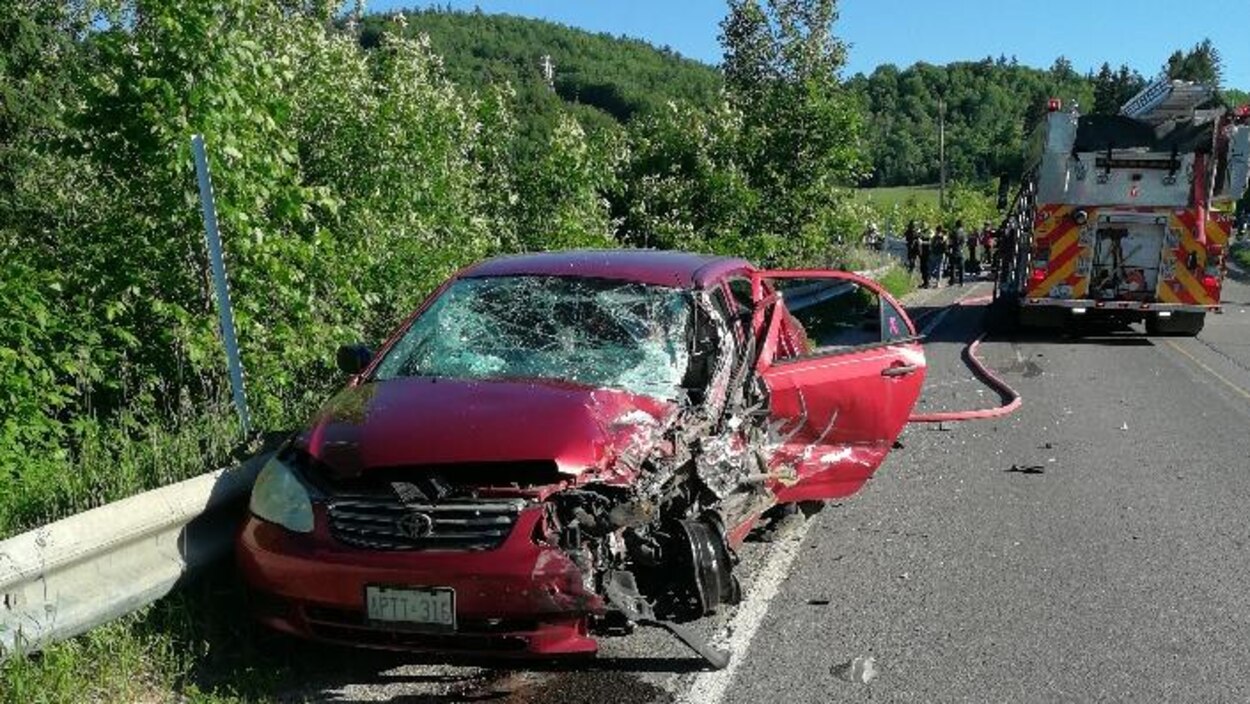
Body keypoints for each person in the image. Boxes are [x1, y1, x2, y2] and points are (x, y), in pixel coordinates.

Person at [949, 220, 966, 286]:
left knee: (953, 266)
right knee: (961, 267)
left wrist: (950, 248)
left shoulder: (953, 232)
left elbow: (950, 242)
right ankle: (961, 282)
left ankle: (952, 281)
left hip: (954, 250)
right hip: (960, 250)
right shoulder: (963, 233)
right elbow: (964, 242)